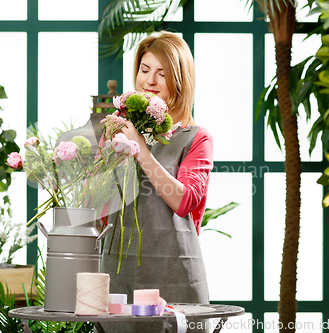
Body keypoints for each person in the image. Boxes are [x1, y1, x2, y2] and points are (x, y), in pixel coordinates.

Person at [101, 31, 214, 333]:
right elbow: (100, 210)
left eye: (162, 74)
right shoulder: (116, 132)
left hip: (176, 276)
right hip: (119, 273)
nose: (149, 81)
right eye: (145, 70)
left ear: (180, 80)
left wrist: (139, 148)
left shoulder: (196, 138)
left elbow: (183, 201)